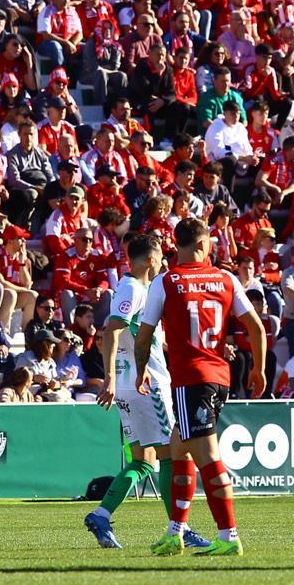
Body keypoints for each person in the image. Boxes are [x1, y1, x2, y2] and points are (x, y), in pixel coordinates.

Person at [133, 216, 267, 558]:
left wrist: (140, 371)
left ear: (175, 246)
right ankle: (175, 533)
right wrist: (258, 370)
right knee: (179, 449)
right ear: (204, 245)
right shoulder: (225, 278)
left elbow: (144, 335)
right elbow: (256, 328)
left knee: (207, 456)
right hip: (218, 377)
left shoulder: (165, 281)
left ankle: (229, 535)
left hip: (190, 378)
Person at [84, 232, 208, 550]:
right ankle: (179, 529)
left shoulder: (136, 289)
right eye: (160, 257)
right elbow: (112, 329)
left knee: (143, 461)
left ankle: (101, 514)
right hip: (144, 385)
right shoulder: (133, 288)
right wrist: (109, 377)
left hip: (131, 387)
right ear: (151, 260)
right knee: (171, 456)